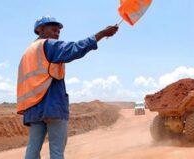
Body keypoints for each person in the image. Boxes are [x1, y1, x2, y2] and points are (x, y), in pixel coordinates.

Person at [16, 16, 118, 159]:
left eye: (59, 29)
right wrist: (102, 34)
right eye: (52, 27)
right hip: (52, 105)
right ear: (40, 29)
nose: (57, 31)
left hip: (33, 109)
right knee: (57, 152)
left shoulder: (27, 53)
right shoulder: (48, 45)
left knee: (32, 150)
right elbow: (74, 49)